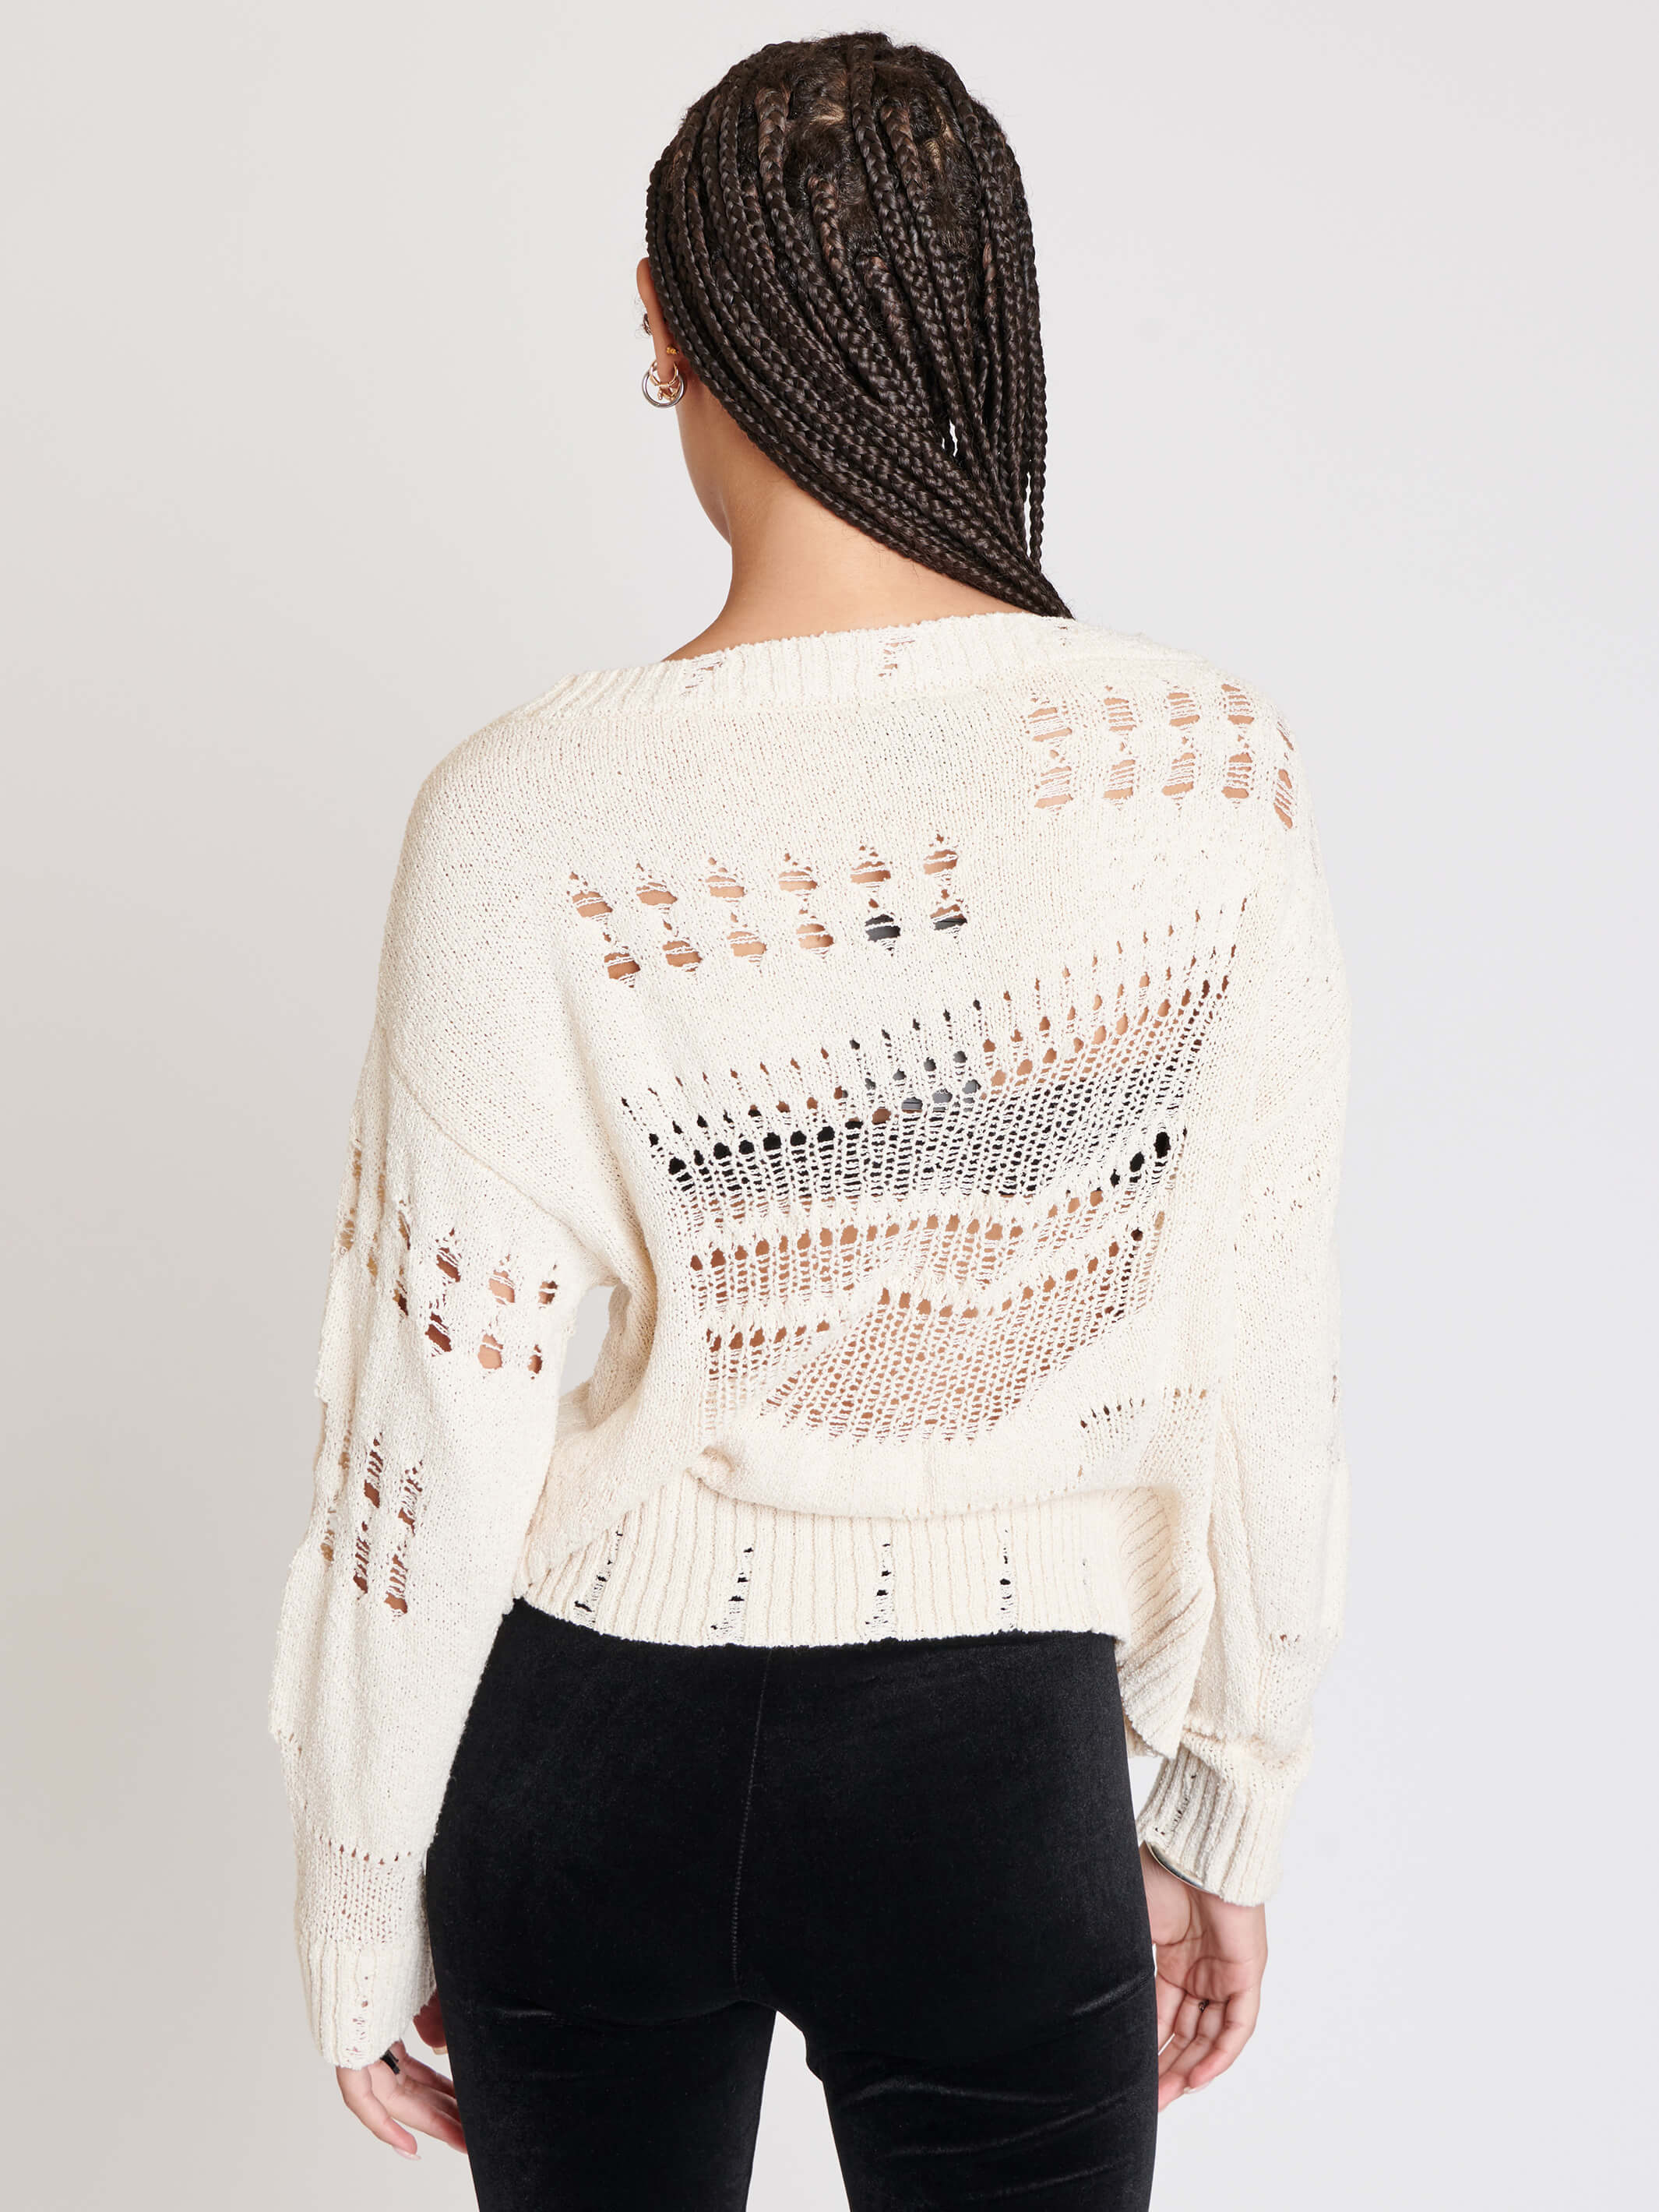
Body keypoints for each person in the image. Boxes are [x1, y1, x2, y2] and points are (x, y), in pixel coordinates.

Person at [267, 31, 1351, 2210]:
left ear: (660, 326)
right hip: (992, 1775)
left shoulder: (522, 809)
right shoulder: (1199, 772)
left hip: (584, 1760)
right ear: (986, 319)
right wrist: (1221, 1800)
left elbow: (434, 1403)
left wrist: (361, 1883)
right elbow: (1257, 1341)